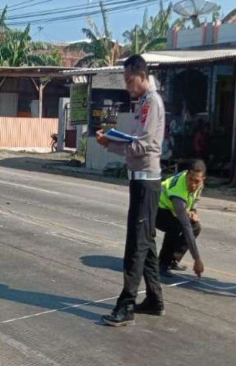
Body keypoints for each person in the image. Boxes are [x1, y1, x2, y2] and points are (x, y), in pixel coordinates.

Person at [96, 54, 165, 327]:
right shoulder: (143, 103)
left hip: (147, 180)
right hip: (140, 178)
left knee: (136, 245)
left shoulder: (152, 102)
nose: (127, 86)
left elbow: (145, 145)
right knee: (145, 241)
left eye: (129, 80)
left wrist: (111, 146)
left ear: (142, 74)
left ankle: (125, 305)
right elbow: (136, 141)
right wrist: (114, 142)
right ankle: (155, 300)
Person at [157, 160, 205, 278]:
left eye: (197, 181)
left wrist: (193, 210)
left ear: (203, 179)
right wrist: (197, 259)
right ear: (187, 175)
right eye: (191, 179)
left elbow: (197, 196)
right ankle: (162, 264)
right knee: (176, 226)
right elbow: (186, 228)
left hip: (169, 209)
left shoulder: (198, 182)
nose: (193, 184)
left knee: (196, 227)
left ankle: (174, 259)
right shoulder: (178, 193)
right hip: (155, 209)